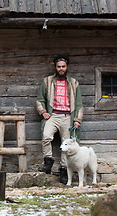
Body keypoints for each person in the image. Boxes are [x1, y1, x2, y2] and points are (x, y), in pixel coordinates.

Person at [36, 56, 84, 184]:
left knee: (65, 143)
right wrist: (43, 112)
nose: (61, 69)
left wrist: (77, 119)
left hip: (68, 116)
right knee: (46, 136)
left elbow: (79, 104)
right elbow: (40, 99)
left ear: (67, 67)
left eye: (63, 66)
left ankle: (63, 171)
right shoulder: (47, 81)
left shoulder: (74, 83)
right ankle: (48, 163)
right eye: (59, 66)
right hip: (53, 115)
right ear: (55, 67)